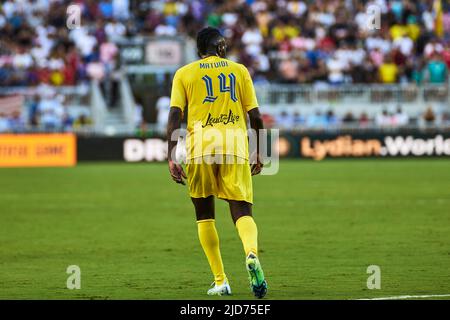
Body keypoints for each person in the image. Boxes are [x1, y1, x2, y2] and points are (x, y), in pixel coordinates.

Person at [166, 27, 267, 298]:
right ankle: (251, 253)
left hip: (200, 147)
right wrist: (259, 151)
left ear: (200, 50)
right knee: (242, 209)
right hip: (235, 145)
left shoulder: (184, 73)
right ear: (221, 47)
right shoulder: (239, 71)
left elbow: (175, 115)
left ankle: (220, 280)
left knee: (204, 215)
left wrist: (172, 155)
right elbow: (256, 117)